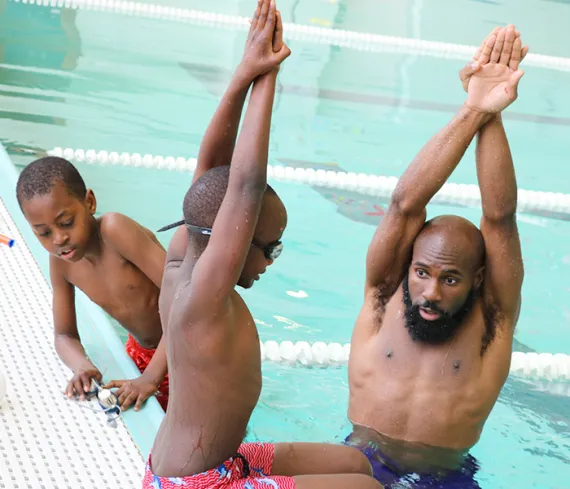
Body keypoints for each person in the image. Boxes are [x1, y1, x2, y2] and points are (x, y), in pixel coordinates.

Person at [145, 2, 382, 488]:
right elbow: (244, 185)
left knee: (355, 465)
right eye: (269, 248)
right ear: (229, 239)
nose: (273, 261)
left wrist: (243, 74)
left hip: (217, 463)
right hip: (200, 485)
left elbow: (211, 173)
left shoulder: (183, 258)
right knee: (366, 488)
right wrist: (268, 76)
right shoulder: (201, 302)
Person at [346, 25, 528, 488]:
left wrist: (494, 116)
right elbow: (405, 203)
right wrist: (473, 110)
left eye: (450, 279)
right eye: (422, 272)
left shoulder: (492, 319)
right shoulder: (384, 294)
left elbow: (500, 218)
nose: (429, 292)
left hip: (446, 479)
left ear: (478, 279)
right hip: (357, 463)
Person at [16, 157, 169, 412]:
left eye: (66, 222)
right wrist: (82, 366)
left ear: (89, 202)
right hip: (145, 353)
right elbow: (64, 335)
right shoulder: (61, 264)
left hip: (189, 347)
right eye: (44, 233)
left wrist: (150, 378)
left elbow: (185, 301)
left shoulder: (115, 230)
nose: (59, 238)